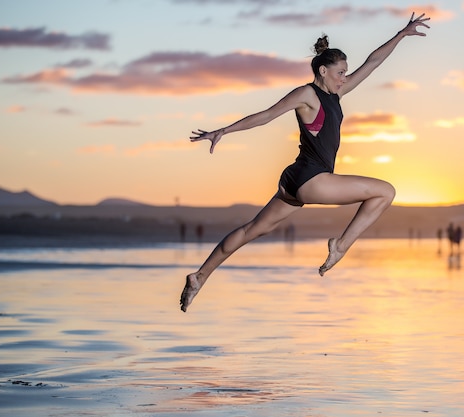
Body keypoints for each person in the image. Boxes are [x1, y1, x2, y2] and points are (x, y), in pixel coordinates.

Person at [180, 13, 431, 312]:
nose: (345, 77)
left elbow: (373, 62)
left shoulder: (336, 92)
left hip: (295, 180)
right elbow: (266, 115)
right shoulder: (306, 94)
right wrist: (223, 131)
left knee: (252, 230)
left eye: (346, 72)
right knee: (385, 192)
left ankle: (199, 276)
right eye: (340, 72)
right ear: (323, 70)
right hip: (313, 179)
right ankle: (340, 246)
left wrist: (402, 34)